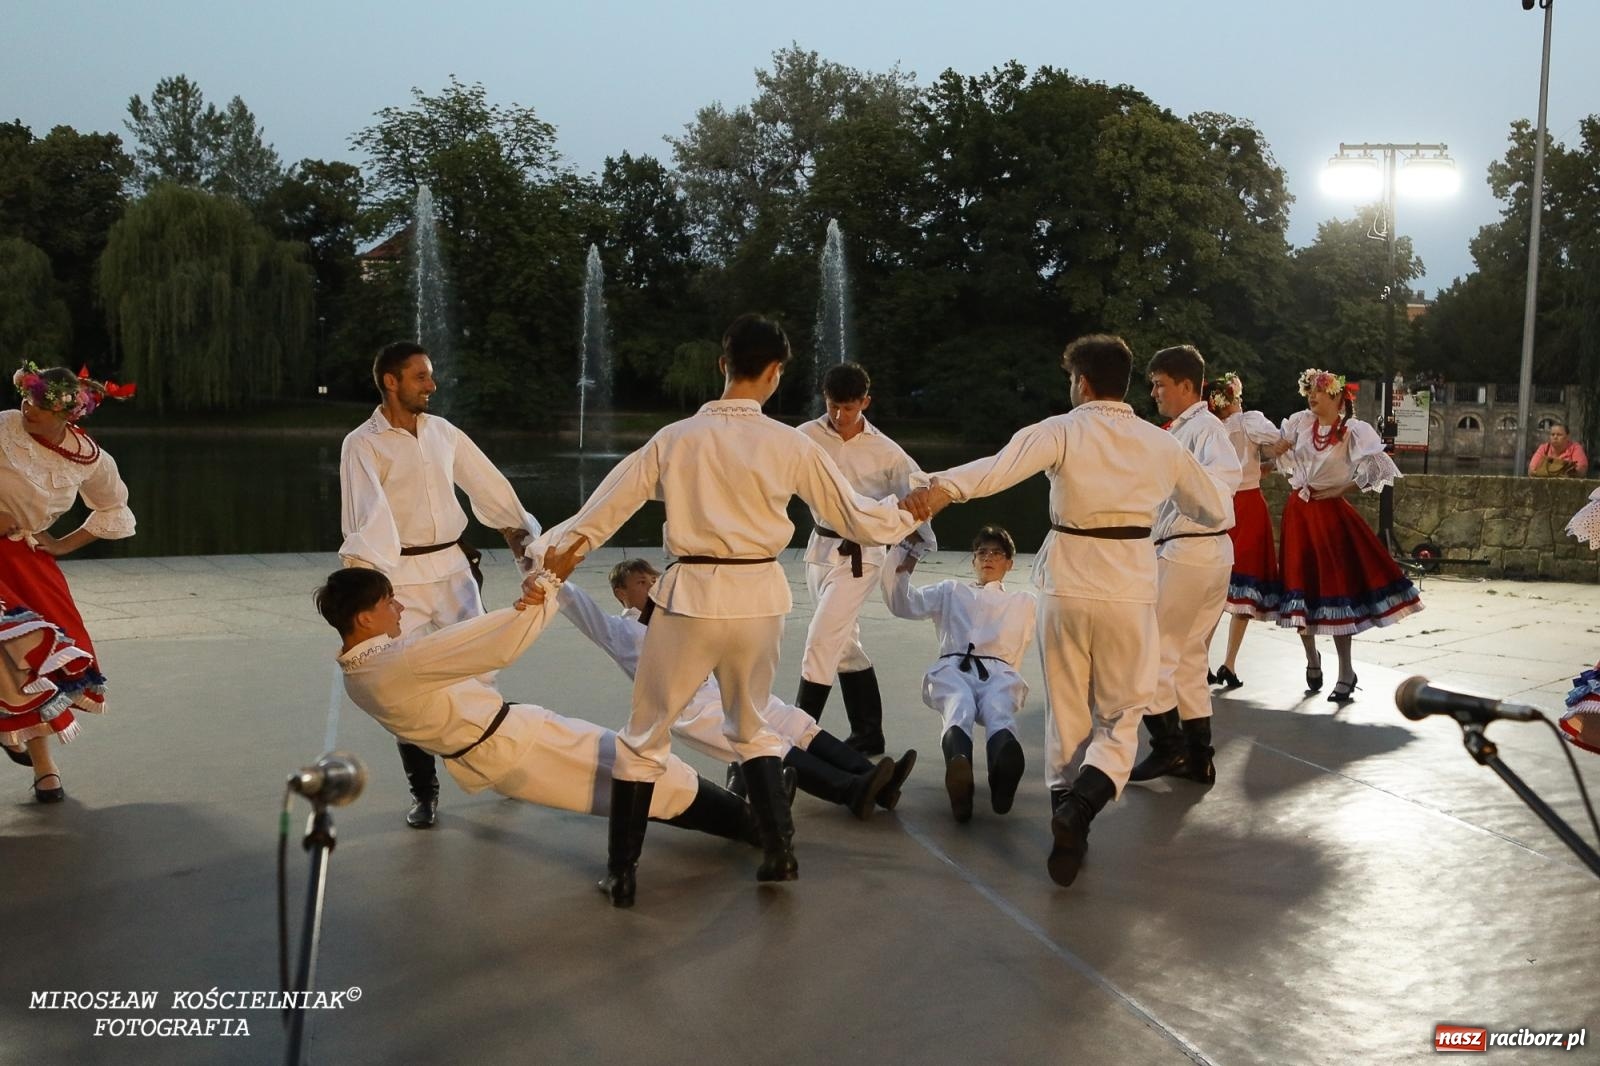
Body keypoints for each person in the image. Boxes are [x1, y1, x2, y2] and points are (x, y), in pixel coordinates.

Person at [535, 313, 921, 906]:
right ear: (775, 373)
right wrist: (911, 511)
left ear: (723, 365)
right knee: (752, 724)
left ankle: (623, 872)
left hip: (690, 598)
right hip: (759, 601)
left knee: (643, 738)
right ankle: (779, 851)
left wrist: (550, 555)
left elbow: (603, 508)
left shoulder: (675, 437)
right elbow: (856, 518)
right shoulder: (790, 443)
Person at [907, 334, 1227, 888]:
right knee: (1123, 715)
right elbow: (1217, 505)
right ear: (1125, 382)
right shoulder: (1162, 444)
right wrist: (1160, 503)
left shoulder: (1061, 429)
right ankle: (1078, 810)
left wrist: (941, 489)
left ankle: (1067, 812)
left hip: (1066, 585)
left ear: (1081, 382)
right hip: (1129, 585)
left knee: (1067, 707)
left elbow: (997, 469)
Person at [317, 559, 766, 881]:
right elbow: (497, 645)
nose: (399, 609)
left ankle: (748, 821)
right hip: (522, 745)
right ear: (363, 617)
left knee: (633, 787)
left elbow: (461, 647)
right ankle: (759, 826)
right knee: (647, 773)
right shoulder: (396, 663)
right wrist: (547, 587)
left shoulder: (359, 671)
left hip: (505, 753)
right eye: (389, 602)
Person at [339, 341, 541, 829]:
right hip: (398, 578)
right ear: (391, 381)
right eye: (421, 377)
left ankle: (499, 768)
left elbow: (486, 484)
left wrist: (521, 539)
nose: (432, 385)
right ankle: (424, 793)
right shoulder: (362, 443)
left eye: (430, 376)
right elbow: (366, 515)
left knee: (481, 669)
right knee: (403, 686)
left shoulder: (443, 432)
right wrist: (369, 589)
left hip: (452, 568)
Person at [556, 557, 914, 820]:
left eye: (653, 579)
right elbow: (583, 611)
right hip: (692, 710)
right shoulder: (622, 633)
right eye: (641, 583)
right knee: (772, 745)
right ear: (621, 593)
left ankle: (871, 778)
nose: (652, 585)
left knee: (793, 720)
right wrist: (552, 578)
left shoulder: (677, 614)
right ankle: (851, 791)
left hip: (722, 690)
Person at [0, 362, 135, 803]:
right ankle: (18, 740)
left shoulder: (89, 458)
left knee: (36, 660)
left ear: (67, 415)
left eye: (37, 404)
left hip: (23, 558)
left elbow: (113, 510)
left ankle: (44, 765)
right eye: (25, 397)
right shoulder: (4, 428)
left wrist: (61, 544)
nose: (26, 408)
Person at [795, 362, 935, 754]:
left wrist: (911, 549)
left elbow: (921, 492)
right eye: (833, 406)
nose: (840, 416)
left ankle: (795, 737)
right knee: (842, 644)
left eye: (849, 408)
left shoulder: (887, 451)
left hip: (863, 555)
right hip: (819, 550)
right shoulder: (804, 437)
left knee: (821, 639)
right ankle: (869, 733)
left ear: (865, 403)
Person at [1129, 346, 1242, 788]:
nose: (1154, 392)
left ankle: (1168, 748)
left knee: (1153, 653)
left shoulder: (1205, 429)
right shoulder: (1188, 430)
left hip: (1189, 553)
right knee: (1191, 658)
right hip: (1205, 553)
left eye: (1160, 383)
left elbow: (1222, 482)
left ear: (1185, 385)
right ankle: (1199, 758)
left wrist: (1178, 490)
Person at [1274, 368, 1423, 703]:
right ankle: (1312, 657)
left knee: (1336, 590)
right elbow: (1278, 456)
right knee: (1300, 587)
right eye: (1309, 390)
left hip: (1330, 515)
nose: (1312, 396)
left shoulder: (1352, 430)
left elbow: (1381, 466)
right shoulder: (1299, 423)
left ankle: (1346, 671)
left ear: (1338, 396)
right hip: (1299, 513)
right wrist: (1276, 448)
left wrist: (1345, 486)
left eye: (1319, 391)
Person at [884, 526, 1035, 822]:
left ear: (1009, 563)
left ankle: (1003, 769)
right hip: (956, 666)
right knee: (958, 704)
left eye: (997, 553)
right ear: (973, 561)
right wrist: (906, 558)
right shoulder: (950, 591)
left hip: (1000, 671)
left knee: (998, 709)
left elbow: (1060, 622)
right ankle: (960, 768)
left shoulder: (1025, 601)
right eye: (982, 552)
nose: (988, 558)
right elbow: (903, 604)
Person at [1205, 373, 1284, 689]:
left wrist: (1259, 466)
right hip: (1248, 504)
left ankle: (1201, 661)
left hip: (1221, 504)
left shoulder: (1211, 428)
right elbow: (1277, 440)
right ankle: (1230, 663)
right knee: (1244, 589)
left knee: (1217, 590)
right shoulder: (1249, 421)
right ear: (1234, 398)